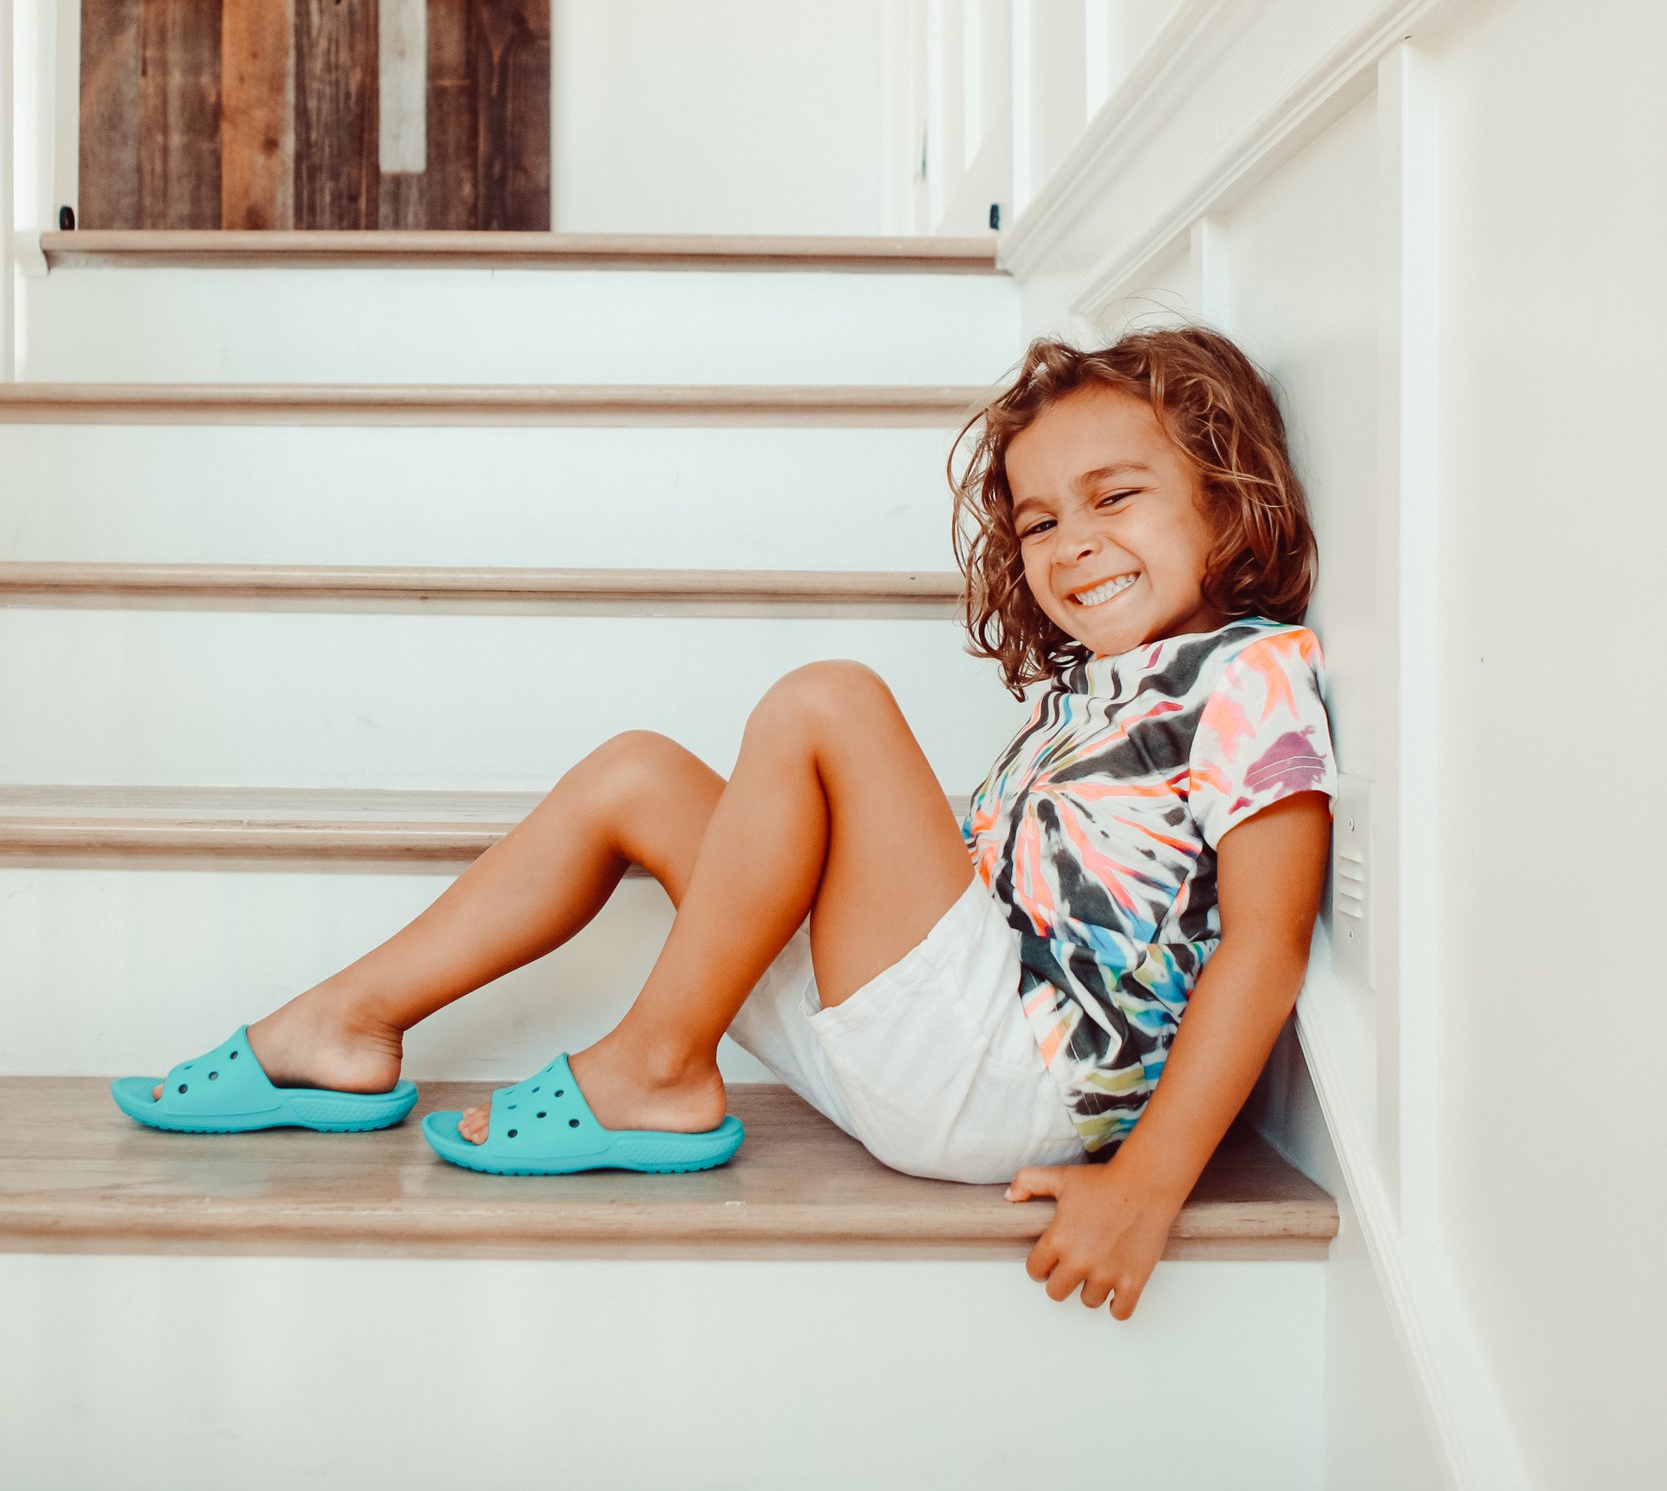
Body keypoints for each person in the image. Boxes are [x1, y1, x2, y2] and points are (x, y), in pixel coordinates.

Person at [115, 325, 1337, 1322]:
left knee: (830, 703)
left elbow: (1265, 942)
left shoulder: (1250, 673)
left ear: (1229, 502)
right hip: (939, 1054)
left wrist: (1143, 1186)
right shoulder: (1090, 697)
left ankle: (652, 1061)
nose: (1073, 545)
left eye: (1113, 497)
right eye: (1037, 522)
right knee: (637, 773)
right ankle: (343, 1025)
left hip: (1016, 1081)